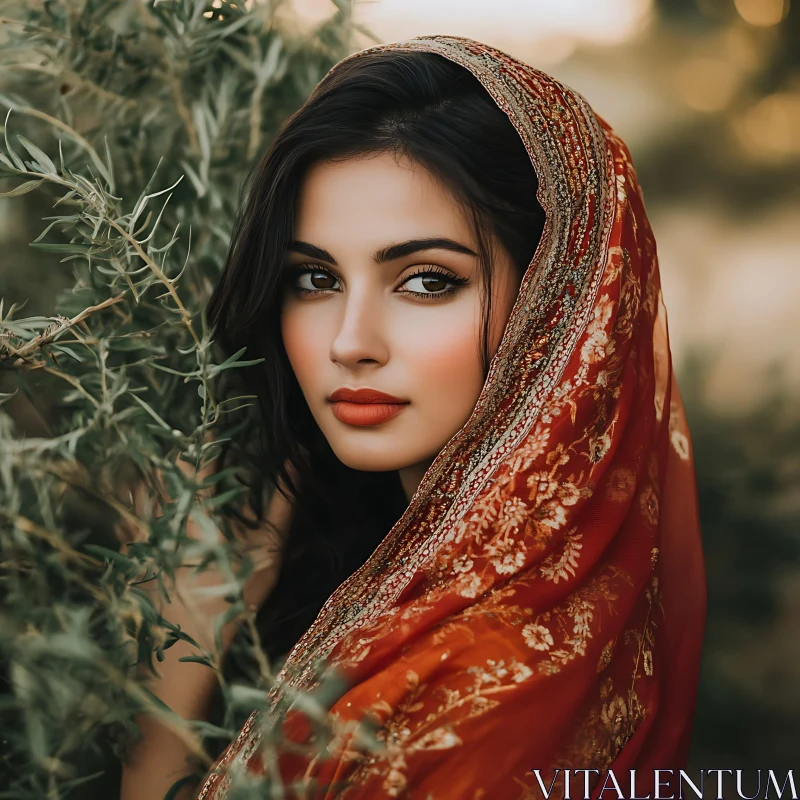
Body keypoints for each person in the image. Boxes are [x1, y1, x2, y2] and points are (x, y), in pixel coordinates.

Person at [130, 33, 708, 800]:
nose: (349, 342)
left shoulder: (484, 694)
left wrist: (177, 682)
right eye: (314, 277)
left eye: (428, 281)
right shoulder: (384, 569)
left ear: (557, 303)